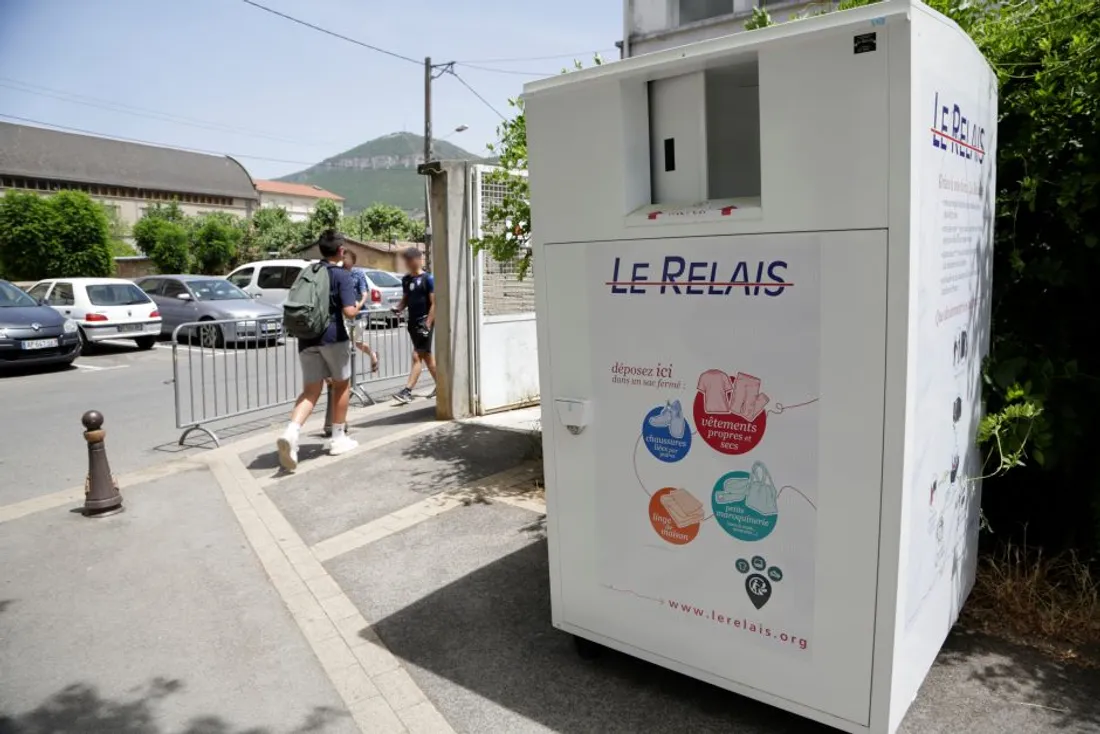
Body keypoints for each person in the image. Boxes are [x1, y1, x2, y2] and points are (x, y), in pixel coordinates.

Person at [277, 229, 359, 471]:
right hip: (334, 337)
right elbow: (349, 311)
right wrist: (358, 305)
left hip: (307, 337)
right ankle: (338, 438)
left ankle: (291, 432)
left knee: (311, 391)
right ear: (341, 251)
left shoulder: (308, 272)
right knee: (342, 384)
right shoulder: (341, 275)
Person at [392, 247, 437, 404]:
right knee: (427, 357)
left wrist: (428, 324)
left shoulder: (428, 279)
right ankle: (443, 385)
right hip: (412, 322)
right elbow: (405, 299)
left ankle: (407, 391)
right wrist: (398, 308)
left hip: (424, 322)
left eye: (410, 260)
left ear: (418, 260)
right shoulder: (406, 280)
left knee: (417, 355)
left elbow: (434, 303)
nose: (408, 264)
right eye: (406, 261)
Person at [342, 250, 379, 373]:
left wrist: (358, 306)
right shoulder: (339, 272)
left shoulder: (358, 273)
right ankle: (373, 355)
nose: (345, 260)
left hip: (359, 314)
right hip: (344, 314)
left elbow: (364, 293)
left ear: (353, 260)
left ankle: (345, 373)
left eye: (347, 258)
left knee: (350, 342)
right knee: (354, 342)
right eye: (343, 257)